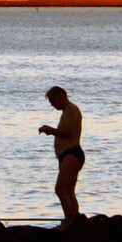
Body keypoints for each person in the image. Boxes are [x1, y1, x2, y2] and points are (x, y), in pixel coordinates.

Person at [38, 86, 85, 230]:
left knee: (60, 189)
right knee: (69, 191)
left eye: (53, 101)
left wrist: (50, 130)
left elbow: (69, 133)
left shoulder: (71, 110)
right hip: (67, 155)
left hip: (72, 153)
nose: (52, 105)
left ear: (61, 97)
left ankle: (69, 220)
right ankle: (75, 219)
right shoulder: (66, 111)